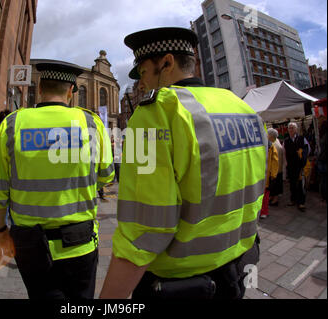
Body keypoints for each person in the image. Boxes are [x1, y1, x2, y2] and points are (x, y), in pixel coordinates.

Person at [99, 27, 267, 299]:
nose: (141, 84)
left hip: (179, 285)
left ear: (166, 63)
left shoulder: (158, 112)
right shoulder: (243, 108)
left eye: (142, 72)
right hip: (237, 272)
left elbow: (143, 233)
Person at [0, 60, 114, 299]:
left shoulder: (12, 124)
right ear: (70, 91)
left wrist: (1, 230)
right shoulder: (90, 123)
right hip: (79, 242)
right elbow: (106, 175)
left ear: (41, 89)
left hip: (29, 243)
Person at [283, 122, 309, 212]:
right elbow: (284, 153)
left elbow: (307, 149)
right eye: (289, 128)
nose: (291, 129)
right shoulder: (286, 141)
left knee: (301, 184)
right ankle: (293, 200)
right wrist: (286, 163)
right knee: (292, 183)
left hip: (300, 166)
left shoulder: (301, 139)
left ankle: (301, 202)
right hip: (291, 166)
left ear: (296, 129)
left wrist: (303, 161)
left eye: (292, 128)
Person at [260, 134, 279, 219]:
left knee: (266, 194)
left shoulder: (271, 147)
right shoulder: (263, 145)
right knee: (262, 195)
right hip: (260, 174)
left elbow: (275, 161)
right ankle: (261, 211)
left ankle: (264, 211)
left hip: (267, 175)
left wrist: (273, 175)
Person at [268, 128, 284, 206]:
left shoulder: (275, 145)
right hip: (278, 169)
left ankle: (275, 200)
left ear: (271, 136)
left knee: (275, 185)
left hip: (276, 170)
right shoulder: (276, 141)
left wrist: (272, 172)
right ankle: (272, 197)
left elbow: (275, 160)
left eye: (268, 134)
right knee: (274, 185)